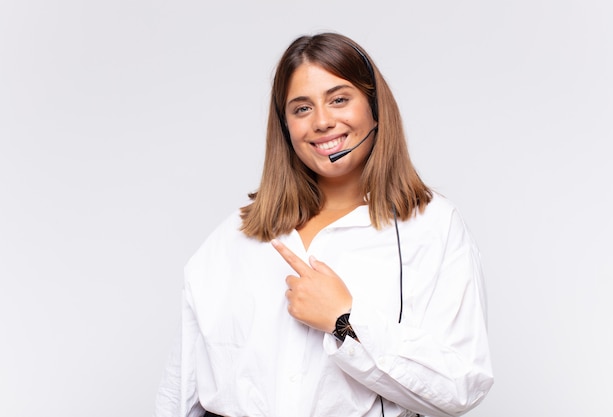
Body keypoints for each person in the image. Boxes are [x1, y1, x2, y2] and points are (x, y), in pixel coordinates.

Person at [154, 32, 493, 417]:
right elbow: (179, 390)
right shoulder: (234, 236)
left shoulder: (433, 227)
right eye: (301, 109)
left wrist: (345, 320)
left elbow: (460, 385)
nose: (321, 122)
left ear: (375, 108)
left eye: (339, 99)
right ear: (285, 127)